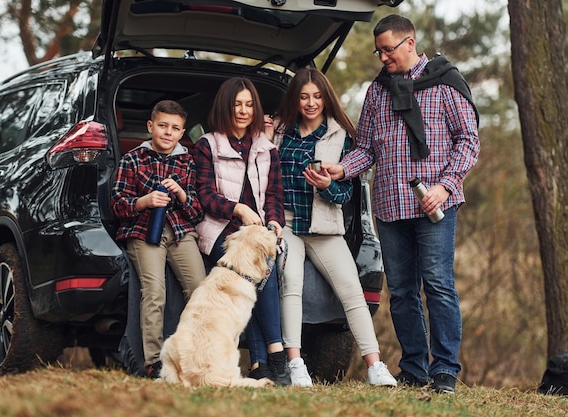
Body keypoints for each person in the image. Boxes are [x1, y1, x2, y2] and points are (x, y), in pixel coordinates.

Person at [326, 15, 480, 394]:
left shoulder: (444, 81)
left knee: (439, 285)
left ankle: (444, 370)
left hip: (434, 206)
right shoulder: (377, 91)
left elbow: (468, 140)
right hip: (389, 207)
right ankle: (414, 368)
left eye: (388, 49)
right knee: (402, 291)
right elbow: (366, 149)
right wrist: (340, 169)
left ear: (410, 43)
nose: (382, 58)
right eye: (378, 51)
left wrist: (445, 186)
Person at [268, 67, 397, 388]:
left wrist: (327, 185)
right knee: (291, 284)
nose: (311, 103)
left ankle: (376, 366)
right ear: (295, 100)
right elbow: (263, 178)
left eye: (317, 96)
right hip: (287, 226)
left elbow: (346, 194)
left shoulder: (342, 135)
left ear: (326, 98)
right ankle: (295, 364)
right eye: (303, 97)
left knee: (352, 291)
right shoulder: (281, 132)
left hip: (325, 227)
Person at [192, 77, 289, 385]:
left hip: (258, 230)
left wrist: (274, 222)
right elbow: (204, 194)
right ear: (225, 107)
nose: (243, 111)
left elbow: (274, 196)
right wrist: (237, 208)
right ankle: (276, 353)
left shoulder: (267, 148)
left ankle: (261, 363)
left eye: (249, 105)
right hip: (220, 227)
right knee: (256, 263)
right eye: (237, 105)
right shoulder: (207, 144)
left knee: (260, 260)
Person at [111, 100, 206, 379]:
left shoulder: (187, 161)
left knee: (199, 291)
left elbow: (197, 211)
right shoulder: (132, 159)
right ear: (151, 126)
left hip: (179, 230)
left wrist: (181, 193)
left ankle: (194, 357)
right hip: (142, 232)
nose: (168, 132)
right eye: (163, 126)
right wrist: (144, 201)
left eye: (175, 128)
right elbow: (118, 204)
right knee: (154, 292)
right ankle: (154, 362)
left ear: (182, 132)